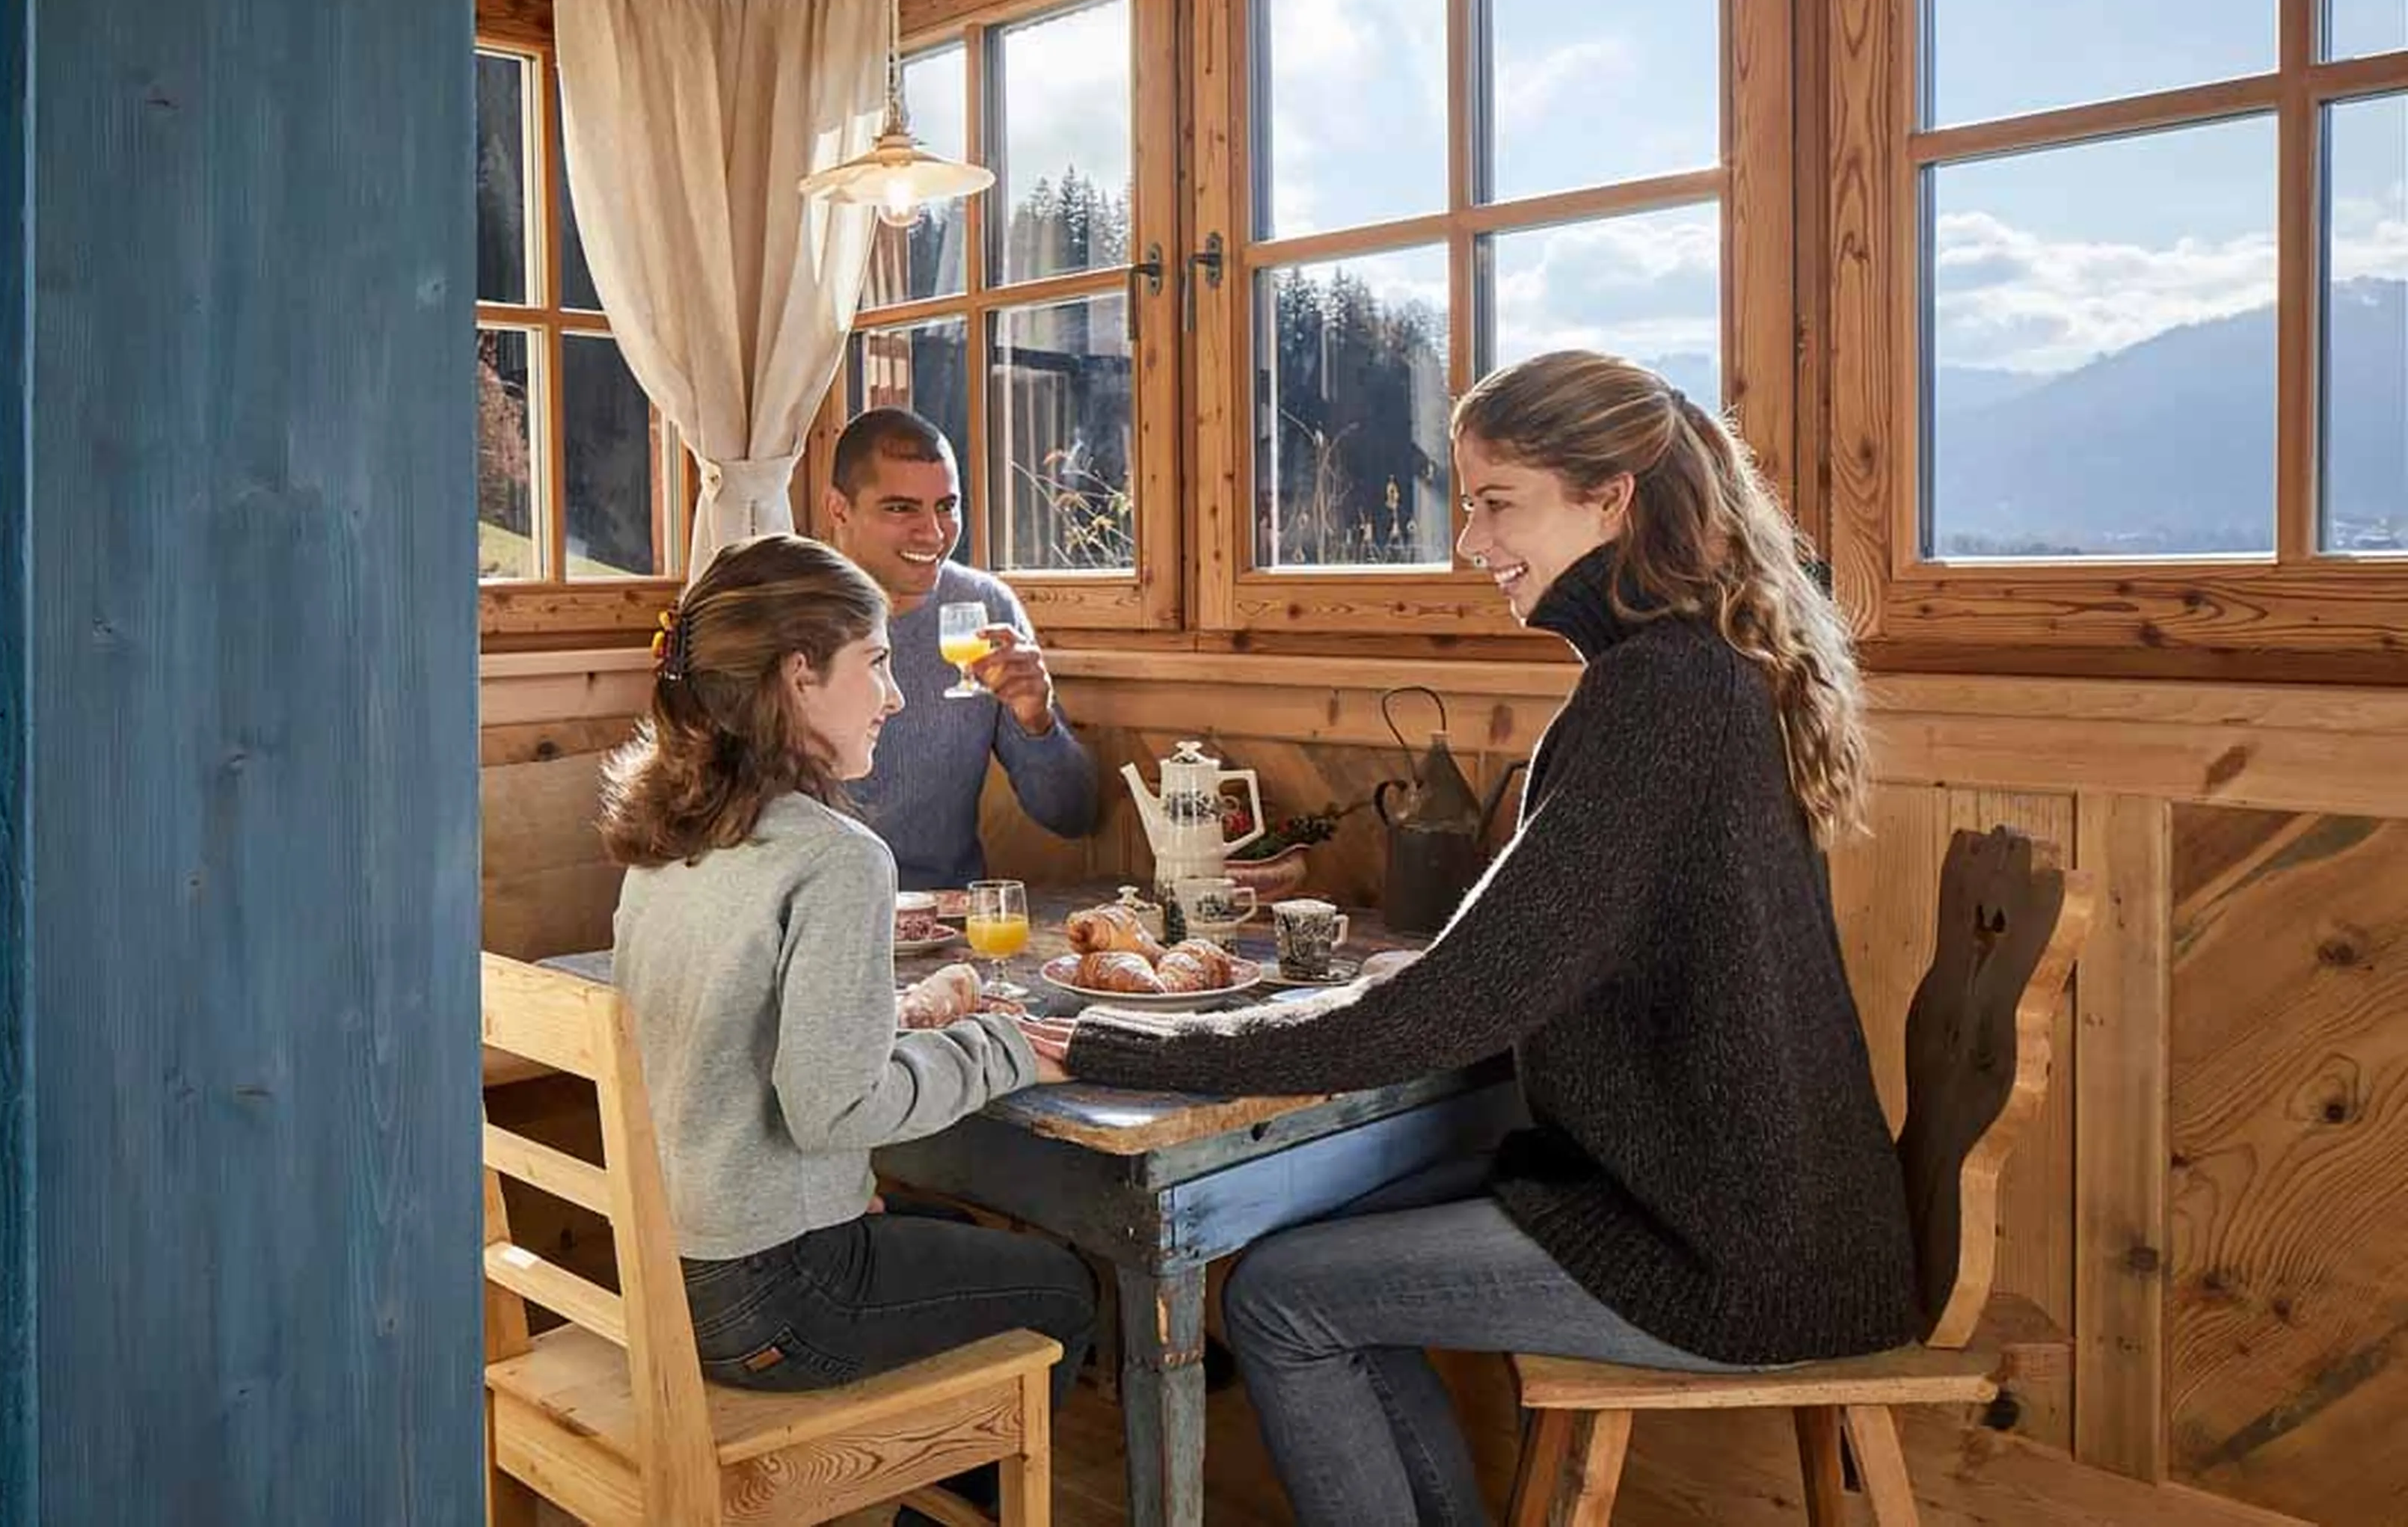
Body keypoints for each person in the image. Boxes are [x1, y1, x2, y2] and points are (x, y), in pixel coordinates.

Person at [1016, 351, 1917, 1525]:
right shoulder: (1692, 671)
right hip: (1773, 1213)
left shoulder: (1657, 695)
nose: (1470, 539)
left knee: (1282, 1297)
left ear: (1613, 498)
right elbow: (1508, 970)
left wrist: (1123, 1043)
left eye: (1498, 502)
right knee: (1320, 1232)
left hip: (1735, 1253)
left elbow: (1456, 1005)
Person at [601, 533, 1098, 1524]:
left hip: (668, 1274)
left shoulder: (673, 836)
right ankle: (907, 1500)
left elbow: (736, 1053)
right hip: (773, 1302)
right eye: (875, 663)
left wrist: (905, 1022)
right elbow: (837, 1105)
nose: (897, 695)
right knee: (1064, 1287)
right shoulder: (837, 857)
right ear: (799, 676)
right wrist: (1004, 1046)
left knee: (949, 1233)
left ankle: (908, 1499)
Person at [822, 407, 1099, 891]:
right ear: (838, 508)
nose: (933, 533)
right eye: (901, 508)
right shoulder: (786, 610)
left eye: (947, 506)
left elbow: (1073, 816)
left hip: (950, 925)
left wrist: (1039, 722)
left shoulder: (985, 607)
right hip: (816, 920)